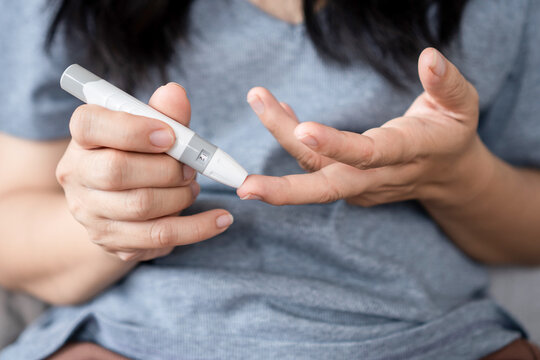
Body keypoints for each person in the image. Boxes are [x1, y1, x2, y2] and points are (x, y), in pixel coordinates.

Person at [1, 0, 539, 358]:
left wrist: (456, 177)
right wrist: (114, 218)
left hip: (433, 337)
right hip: (133, 337)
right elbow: (12, 226)